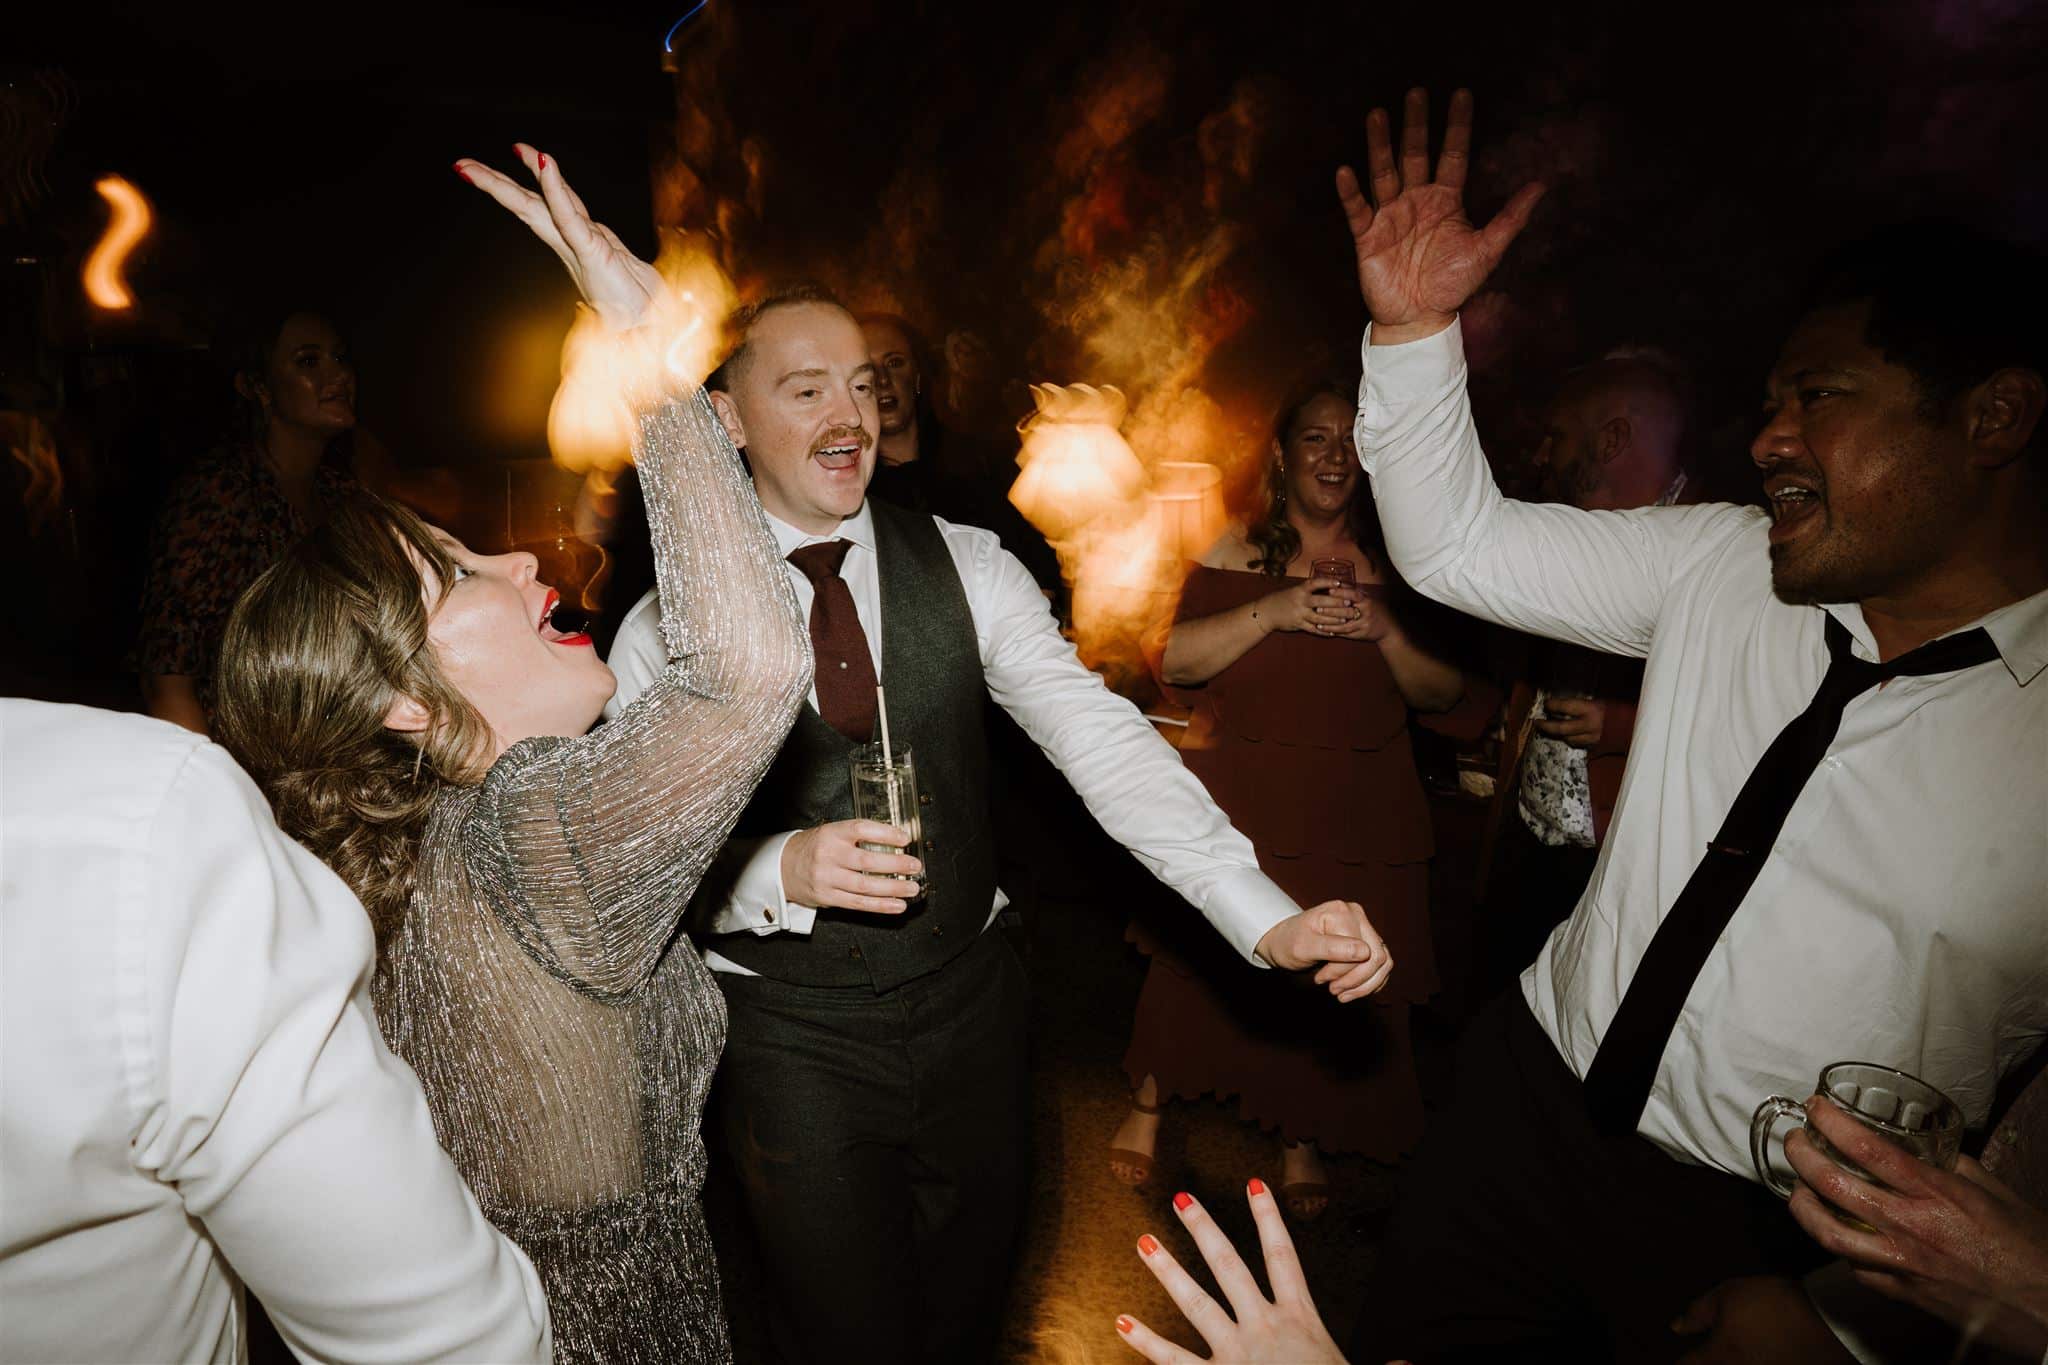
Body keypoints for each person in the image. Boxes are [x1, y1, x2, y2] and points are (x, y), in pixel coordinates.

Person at [1335, 89, 2046, 1363]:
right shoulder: (1718, 565)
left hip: (1775, 1249)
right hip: (1522, 1116)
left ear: (1990, 419)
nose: (1769, 434)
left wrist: (1852, 1329)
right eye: (1771, 398)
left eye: (1819, 396)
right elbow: (1454, 547)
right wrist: (1413, 327)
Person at [605, 288, 1397, 1364]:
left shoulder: (968, 565)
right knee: (843, 1329)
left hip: (973, 1007)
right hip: (786, 1034)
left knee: (970, 1307)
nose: (852, 415)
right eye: (805, 390)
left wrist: (1262, 918)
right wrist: (775, 867)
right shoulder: (664, 629)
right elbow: (627, 862)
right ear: (730, 420)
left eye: (863, 386)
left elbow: (1102, 743)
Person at [212, 146, 812, 1365]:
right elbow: (749, 672)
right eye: (461, 571)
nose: (525, 563)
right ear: (398, 702)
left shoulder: (411, 847)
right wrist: (650, 356)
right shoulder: (519, 830)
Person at [0, 700, 552, 1364]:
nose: (535, 584)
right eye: (464, 585)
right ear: (408, 699)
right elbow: (456, 1346)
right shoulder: (140, 824)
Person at [1110, 382, 1491, 1218]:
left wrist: (1385, 631)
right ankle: (1147, 1103)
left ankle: (1300, 1134)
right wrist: (1276, 609)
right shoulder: (1232, 548)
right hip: (1244, 795)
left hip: (1357, 813)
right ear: (1281, 456)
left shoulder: (1405, 567)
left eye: (1349, 440)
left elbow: (1443, 695)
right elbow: (1176, 660)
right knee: (1192, 964)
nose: (1332, 454)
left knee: (1329, 977)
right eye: (1314, 437)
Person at [1476, 354, 1697, 997]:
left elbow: (1756, 711)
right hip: (1528, 836)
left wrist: (1623, 724)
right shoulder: (1570, 534)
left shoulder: (1717, 546)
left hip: (1620, 860)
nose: (1545, 455)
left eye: (1560, 435)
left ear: (1612, 441)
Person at [135, 304, 366, 732]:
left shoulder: (342, 496)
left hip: (329, 755)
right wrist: (213, 789)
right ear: (258, 387)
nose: (339, 375)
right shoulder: (218, 495)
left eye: (340, 357)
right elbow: (167, 677)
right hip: (246, 763)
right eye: (309, 361)